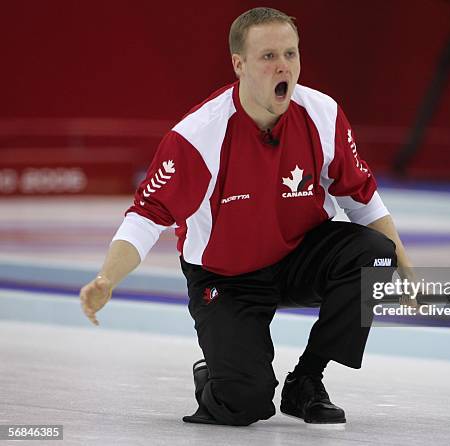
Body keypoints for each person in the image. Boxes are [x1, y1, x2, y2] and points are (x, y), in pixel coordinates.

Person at [80, 7, 412, 426]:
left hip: (297, 256)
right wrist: (108, 278)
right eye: (268, 56)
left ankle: (307, 380)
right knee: (245, 404)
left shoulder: (322, 113)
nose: (284, 67)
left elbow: (361, 198)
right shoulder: (198, 136)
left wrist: (406, 268)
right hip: (226, 277)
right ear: (238, 64)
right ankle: (217, 373)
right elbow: (146, 217)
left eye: (291, 54)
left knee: (376, 254)